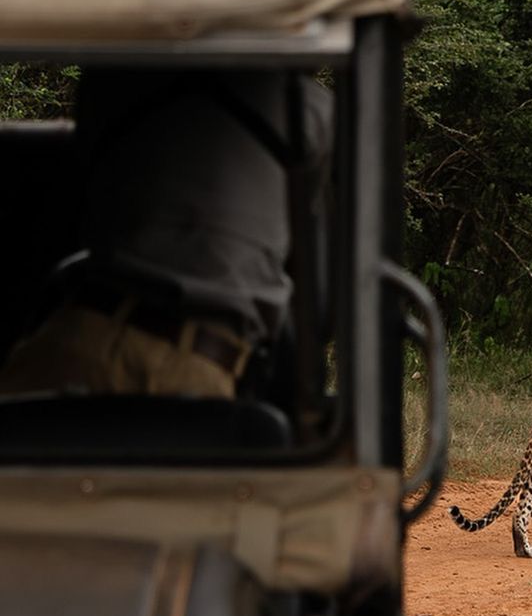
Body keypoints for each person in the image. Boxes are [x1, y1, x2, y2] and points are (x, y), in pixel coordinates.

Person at [0, 68, 332, 399]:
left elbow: (85, 198)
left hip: (78, 331)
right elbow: (308, 282)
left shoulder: (110, 78)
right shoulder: (308, 108)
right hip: (195, 362)